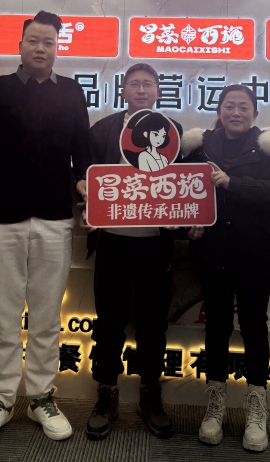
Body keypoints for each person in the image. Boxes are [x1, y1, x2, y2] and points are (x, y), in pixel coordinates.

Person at [0, 10, 91, 448]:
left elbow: (83, 150)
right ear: (20, 45)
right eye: (33, 40)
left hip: (55, 217)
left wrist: (85, 182)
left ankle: (41, 397)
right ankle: (0, 399)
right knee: (4, 315)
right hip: (4, 216)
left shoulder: (72, 92)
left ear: (57, 48)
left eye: (48, 42)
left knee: (47, 315)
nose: (40, 48)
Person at [181, 84, 270, 453]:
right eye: (229, 106)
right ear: (218, 111)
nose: (236, 112)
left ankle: (256, 408)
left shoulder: (269, 148)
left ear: (255, 114)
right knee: (215, 325)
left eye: (243, 107)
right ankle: (215, 405)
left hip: (254, 253)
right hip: (213, 251)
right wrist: (188, 222)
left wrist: (234, 183)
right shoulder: (199, 146)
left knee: (253, 326)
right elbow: (178, 191)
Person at [77, 63, 183, 441]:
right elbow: (83, 176)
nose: (141, 89)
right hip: (112, 242)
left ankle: (150, 396)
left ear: (157, 91)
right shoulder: (103, 129)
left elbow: (183, 185)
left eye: (147, 84)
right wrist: (85, 206)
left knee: (153, 324)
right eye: (134, 84)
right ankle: (106, 395)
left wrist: (185, 217)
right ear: (123, 91)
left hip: (156, 244)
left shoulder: (173, 130)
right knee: (109, 323)